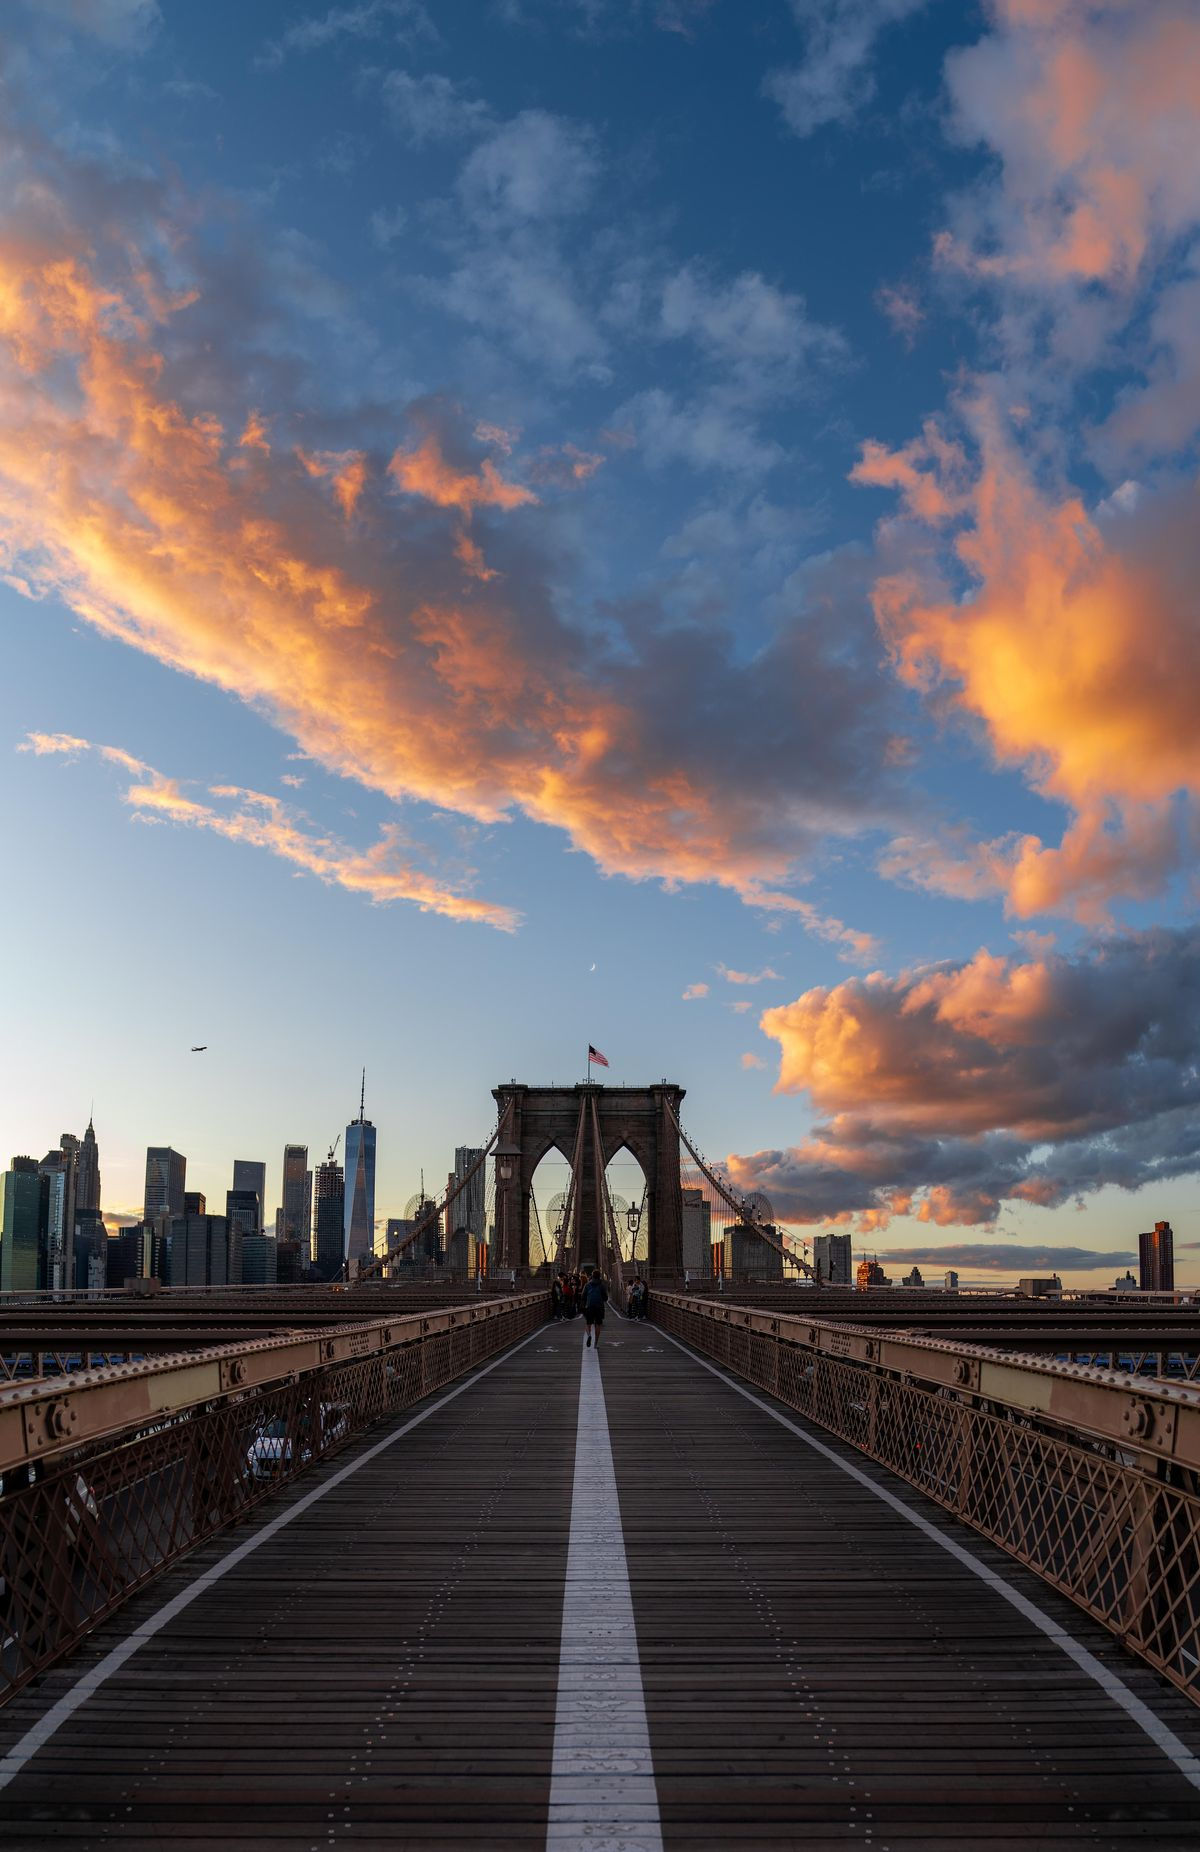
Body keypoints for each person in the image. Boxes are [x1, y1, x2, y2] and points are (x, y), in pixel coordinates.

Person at [581, 1267, 608, 1347]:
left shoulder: (587, 1285)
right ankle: (595, 1344)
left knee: (588, 1323)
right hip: (599, 1307)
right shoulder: (601, 1285)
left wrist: (584, 1305)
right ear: (599, 1276)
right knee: (598, 1324)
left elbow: (583, 1296)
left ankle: (589, 1335)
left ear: (592, 1276)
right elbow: (605, 1298)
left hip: (589, 1306)